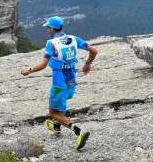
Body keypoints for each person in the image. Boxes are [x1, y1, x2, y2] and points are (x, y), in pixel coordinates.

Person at [21, 16, 98, 151]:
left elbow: (43, 65)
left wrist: (28, 70)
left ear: (52, 29)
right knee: (60, 106)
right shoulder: (74, 39)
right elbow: (94, 51)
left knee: (53, 112)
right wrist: (87, 64)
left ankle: (79, 131)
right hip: (71, 82)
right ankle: (57, 127)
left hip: (59, 84)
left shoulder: (51, 43)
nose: (47, 30)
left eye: (48, 28)